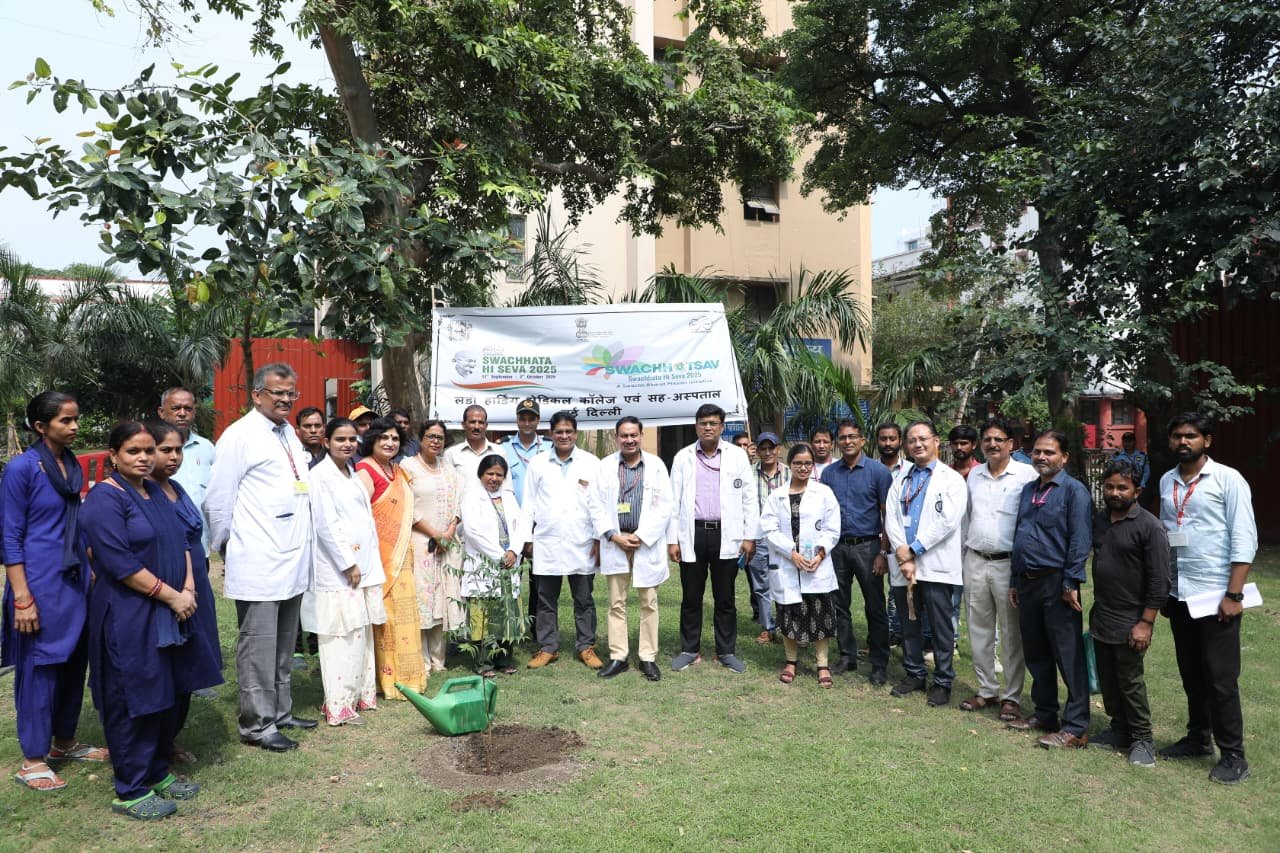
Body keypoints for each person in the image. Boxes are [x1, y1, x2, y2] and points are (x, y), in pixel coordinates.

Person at [81, 422, 219, 820]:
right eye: (133, 452)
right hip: (130, 611)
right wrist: (172, 594)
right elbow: (119, 563)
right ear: (113, 456)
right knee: (134, 696)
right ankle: (132, 787)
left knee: (166, 692)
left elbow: (182, 541)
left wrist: (189, 588)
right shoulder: (106, 500)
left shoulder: (154, 490)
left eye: (147, 451)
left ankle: (157, 771)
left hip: (172, 607)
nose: (143, 458)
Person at [205, 362, 317, 752]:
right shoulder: (239, 436)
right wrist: (227, 546)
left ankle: (281, 713)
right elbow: (218, 501)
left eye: (291, 394)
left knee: (285, 644)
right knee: (258, 646)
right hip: (258, 557)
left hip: (292, 557)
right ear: (256, 395)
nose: (286, 400)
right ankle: (257, 724)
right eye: (277, 393)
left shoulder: (288, 432)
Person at [3, 391, 104, 792]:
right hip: (39, 583)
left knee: (73, 662)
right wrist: (22, 597)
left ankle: (64, 741)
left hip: (74, 579)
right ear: (40, 426)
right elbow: (10, 536)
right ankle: (32, 758)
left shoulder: (68, 466)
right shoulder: (21, 469)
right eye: (65, 420)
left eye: (76, 418)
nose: (75, 426)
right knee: (40, 666)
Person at [1157, 413, 1257, 784]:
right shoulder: (1167, 480)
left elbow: (1244, 538)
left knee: (1220, 678)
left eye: (1192, 436)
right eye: (1178, 436)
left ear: (1207, 441)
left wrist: (1234, 594)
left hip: (1216, 595)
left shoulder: (1228, 479)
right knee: (1192, 674)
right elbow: (1168, 536)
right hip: (1180, 593)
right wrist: (1164, 589)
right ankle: (1198, 738)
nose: (1184, 442)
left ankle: (1234, 755)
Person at [1008, 429, 1093, 748]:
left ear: (1065, 457)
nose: (1041, 457)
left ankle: (1076, 727)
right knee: (1037, 652)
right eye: (1038, 452)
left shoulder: (1074, 491)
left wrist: (1071, 581)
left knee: (1067, 654)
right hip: (1028, 582)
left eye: (1049, 452)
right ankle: (1045, 712)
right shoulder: (1029, 490)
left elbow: (1080, 540)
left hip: (1058, 583)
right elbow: (1020, 534)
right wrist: (1015, 579)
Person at [147, 421, 225, 759]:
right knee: (164, 670)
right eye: (166, 450)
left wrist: (193, 584)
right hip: (164, 591)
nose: (174, 457)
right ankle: (156, 745)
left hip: (196, 588)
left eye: (178, 450)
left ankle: (172, 738)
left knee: (190, 663)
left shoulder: (175, 487)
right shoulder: (142, 493)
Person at [303, 417, 387, 726]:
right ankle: (338, 704)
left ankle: (358, 696)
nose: (348, 444)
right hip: (339, 570)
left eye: (352, 439)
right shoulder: (320, 476)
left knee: (359, 632)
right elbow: (326, 525)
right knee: (341, 635)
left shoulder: (352, 473)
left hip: (361, 565)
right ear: (326, 442)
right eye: (340, 439)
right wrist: (347, 563)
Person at [1089, 459, 1170, 768]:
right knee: (1108, 680)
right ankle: (1119, 729)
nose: (1114, 492)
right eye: (1109, 486)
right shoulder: (1101, 520)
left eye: (1122, 487)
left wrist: (1145, 623)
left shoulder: (1149, 526)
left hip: (1131, 619)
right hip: (1103, 615)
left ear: (1137, 490)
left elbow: (1159, 580)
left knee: (1130, 681)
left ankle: (1142, 739)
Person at [668, 404, 758, 673]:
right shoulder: (683, 457)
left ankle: (726, 651)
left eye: (713, 423)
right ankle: (689, 649)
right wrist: (673, 540)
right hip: (692, 533)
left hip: (726, 533)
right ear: (696, 426)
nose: (708, 427)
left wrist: (749, 536)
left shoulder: (737, 457)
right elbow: (673, 502)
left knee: (725, 597)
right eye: (703, 423)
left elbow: (749, 499)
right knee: (691, 596)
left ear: (721, 427)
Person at [884, 420, 968, 707]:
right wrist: (901, 551)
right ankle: (915, 673)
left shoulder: (951, 479)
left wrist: (913, 550)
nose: (917, 444)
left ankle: (943, 681)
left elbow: (948, 521)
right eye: (911, 440)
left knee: (941, 626)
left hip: (936, 565)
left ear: (936, 441)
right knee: (909, 622)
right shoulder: (902, 479)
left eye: (922, 439)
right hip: (903, 564)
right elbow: (891, 518)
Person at [960, 416, 1037, 722]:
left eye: (998, 439)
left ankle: (1012, 696)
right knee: (978, 629)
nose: (992, 444)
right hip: (975, 559)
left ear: (1011, 444)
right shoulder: (974, 475)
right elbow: (967, 517)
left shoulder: (1026, 475)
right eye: (987, 439)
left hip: (1008, 565)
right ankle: (987, 689)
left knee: (1010, 632)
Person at [517, 411, 602, 669]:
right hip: (547, 541)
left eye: (568, 431)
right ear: (551, 434)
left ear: (575, 434)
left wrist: (599, 538)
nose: (564, 436)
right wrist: (526, 539)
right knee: (545, 599)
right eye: (559, 432)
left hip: (582, 541)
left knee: (584, 599)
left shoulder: (591, 462)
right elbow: (528, 504)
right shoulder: (538, 463)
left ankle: (586, 646)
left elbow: (599, 504)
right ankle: (548, 648)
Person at [589, 417, 672, 682]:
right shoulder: (605, 467)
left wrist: (641, 536)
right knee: (616, 603)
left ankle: (648, 657)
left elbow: (664, 506)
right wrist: (613, 536)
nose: (629, 440)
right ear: (617, 438)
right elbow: (595, 505)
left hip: (645, 544)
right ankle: (619, 656)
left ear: (641, 436)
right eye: (624, 436)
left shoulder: (656, 466)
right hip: (616, 543)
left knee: (649, 602)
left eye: (633, 435)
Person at [355, 417, 426, 698]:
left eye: (395, 439)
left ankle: (411, 677)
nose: (389, 443)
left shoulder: (397, 471)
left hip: (402, 555)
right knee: (386, 617)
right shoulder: (364, 471)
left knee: (406, 615)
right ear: (372, 439)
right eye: (384, 437)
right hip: (380, 557)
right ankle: (390, 681)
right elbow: (362, 517)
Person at [761, 444, 841, 688]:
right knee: (789, 613)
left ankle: (822, 664)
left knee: (820, 613)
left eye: (808, 463)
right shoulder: (777, 495)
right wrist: (791, 553)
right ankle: (791, 661)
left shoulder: (824, 492)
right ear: (790, 465)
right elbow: (768, 528)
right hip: (787, 563)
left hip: (816, 564)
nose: (803, 468)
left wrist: (820, 553)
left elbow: (832, 527)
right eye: (798, 463)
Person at [820, 419, 892, 683]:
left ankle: (879, 662)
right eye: (842, 437)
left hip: (868, 546)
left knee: (875, 606)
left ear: (862, 440)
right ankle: (847, 655)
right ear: (837, 442)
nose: (847, 441)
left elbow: (888, 516)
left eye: (852, 437)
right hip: (837, 547)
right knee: (839, 604)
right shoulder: (829, 474)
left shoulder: (878, 472)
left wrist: (883, 553)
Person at [401, 419, 466, 674]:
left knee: (442, 599)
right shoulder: (408, 467)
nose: (435, 441)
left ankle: (439, 660)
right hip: (420, 542)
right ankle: (422, 660)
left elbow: (460, 501)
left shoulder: (448, 468)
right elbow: (408, 507)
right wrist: (435, 534)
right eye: (430, 436)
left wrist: (449, 531)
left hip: (447, 544)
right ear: (421, 438)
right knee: (422, 600)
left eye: (439, 437)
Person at [458, 455, 523, 675]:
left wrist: (514, 550)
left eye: (499, 475)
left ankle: (504, 660)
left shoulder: (509, 497)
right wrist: (500, 555)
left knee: (505, 614)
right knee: (483, 616)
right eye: (490, 473)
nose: (494, 478)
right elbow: (472, 532)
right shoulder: (472, 497)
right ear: (481, 474)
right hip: (484, 564)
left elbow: (520, 526)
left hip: (509, 561)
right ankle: (483, 663)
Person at [502, 398, 549, 628]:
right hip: (512, 525)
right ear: (517, 420)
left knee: (540, 581)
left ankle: (538, 631)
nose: (527, 422)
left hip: (542, 524)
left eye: (532, 418)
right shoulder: (503, 448)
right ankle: (509, 628)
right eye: (523, 417)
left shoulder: (549, 448)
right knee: (510, 580)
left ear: (538, 420)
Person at [746, 431, 789, 644]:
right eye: (763, 448)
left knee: (785, 580)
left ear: (778, 449)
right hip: (758, 537)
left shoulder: (789, 474)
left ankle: (786, 624)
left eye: (771, 448)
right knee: (760, 584)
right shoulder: (749, 474)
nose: (767, 452)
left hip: (783, 537)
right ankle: (767, 627)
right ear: (757, 451)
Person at [157, 387, 216, 523]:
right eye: (176, 408)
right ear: (161, 412)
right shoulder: (149, 447)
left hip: (201, 538)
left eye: (188, 409)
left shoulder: (206, 447)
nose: (182, 413)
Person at [876, 421, 906, 646]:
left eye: (892, 439)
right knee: (876, 593)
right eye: (883, 439)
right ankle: (880, 635)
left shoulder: (911, 471)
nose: (887, 443)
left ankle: (900, 633)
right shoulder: (870, 469)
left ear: (900, 441)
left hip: (901, 541)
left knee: (900, 591)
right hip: (871, 541)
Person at [444, 404, 502, 490]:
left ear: (486, 425)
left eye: (481, 423)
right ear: (463, 425)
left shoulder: (499, 451)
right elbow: (446, 487)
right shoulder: (451, 454)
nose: (477, 427)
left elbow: (506, 488)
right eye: (472, 422)